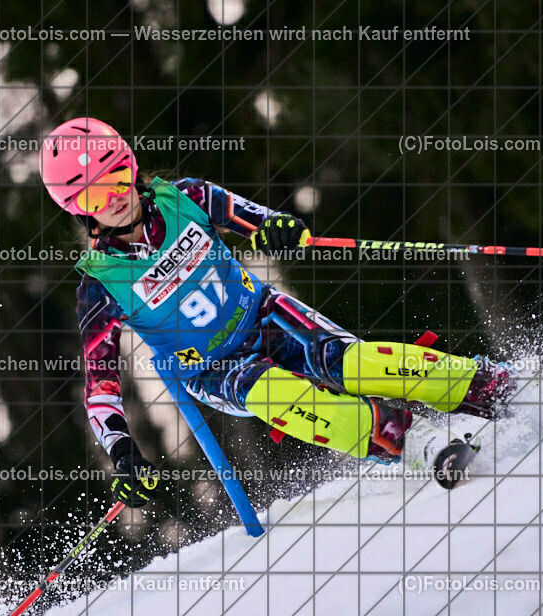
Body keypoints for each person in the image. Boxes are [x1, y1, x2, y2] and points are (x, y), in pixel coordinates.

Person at [39, 117, 513, 507]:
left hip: (264, 316)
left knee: (353, 363)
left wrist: (279, 228)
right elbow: (100, 388)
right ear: (78, 209)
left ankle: (495, 388)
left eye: (118, 176)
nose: (115, 197)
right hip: (215, 368)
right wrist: (122, 452)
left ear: (131, 165)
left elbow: (263, 221)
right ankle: (410, 440)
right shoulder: (100, 285)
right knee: (279, 395)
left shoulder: (188, 198)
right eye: (94, 196)